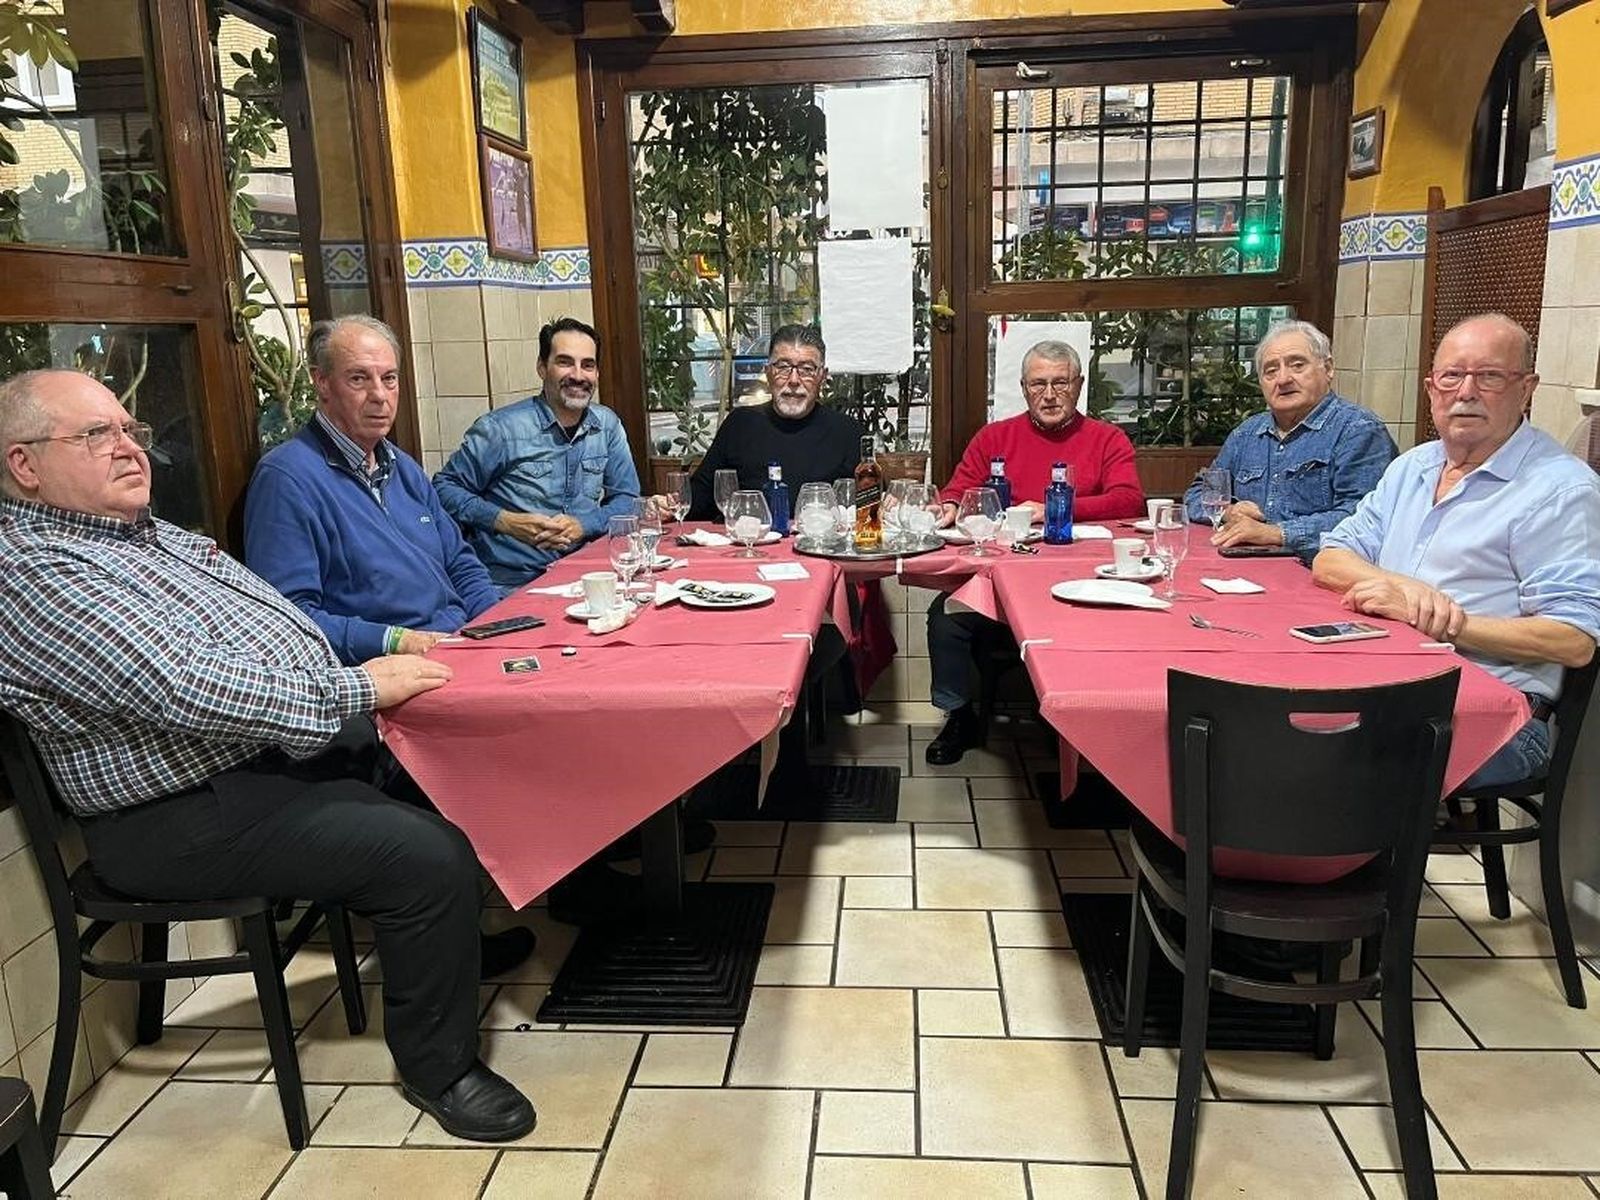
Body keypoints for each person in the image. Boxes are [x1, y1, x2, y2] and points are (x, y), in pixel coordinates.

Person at [0, 369, 537, 1143]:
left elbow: (259, 625)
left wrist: (335, 687)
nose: (128, 449)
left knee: (448, 770)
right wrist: (353, 688)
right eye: (95, 435)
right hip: (173, 819)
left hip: (247, 763)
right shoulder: (35, 573)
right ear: (25, 465)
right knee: (426, 853)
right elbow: (182, 682)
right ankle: (440, 1067)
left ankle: (455, 949)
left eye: (130, 430)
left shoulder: (138, 535)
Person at [1314, 313, 1600, 786]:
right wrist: (1403, 589)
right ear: (1431, 390)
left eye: (1489, 376)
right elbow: (1331, 556)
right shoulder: (1413, 467)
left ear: (1526, 388)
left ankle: (1368, 860)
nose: (1466, 392)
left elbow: (1573, 640)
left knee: (1321, 764)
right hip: (1389, 689)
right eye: (1452, 376)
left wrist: (1449, 621)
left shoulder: (1561, 490)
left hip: (1502, 717)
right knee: (1258, 735)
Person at [925, 340, 1145, 765]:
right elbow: (958, 489)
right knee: (944, 618)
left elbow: (1129, 501)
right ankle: (958, 715)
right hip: (997, 583)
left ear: (1078, 385)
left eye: (1060, 383)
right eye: (1038, 384)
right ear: (1024, 389)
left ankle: (1075, 719)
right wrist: (948, 506)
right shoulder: (995, 436)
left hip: (1079, 585)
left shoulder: (1107, 438)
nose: (1049, 394)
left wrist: (1054, 508)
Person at [244, 316, 501, 665]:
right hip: (389, 671)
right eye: (359, 378)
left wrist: (499, 624)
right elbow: (290, 619)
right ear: (321, 382)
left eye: (389, 378)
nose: (379, 395)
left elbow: (461, 564)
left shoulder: (401, 465)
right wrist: (396, 640)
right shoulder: (285, 478)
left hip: (460, 644)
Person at [435, 317, 640, 588]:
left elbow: (627, 499)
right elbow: (442, 489)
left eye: (588, 365)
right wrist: (506, 522)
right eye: (565, 362)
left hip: (587, 578)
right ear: (542, 367)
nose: (578, 375)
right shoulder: (500, 429)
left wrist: (584, 524)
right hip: (510, 585)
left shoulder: (607, 425)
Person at [1183, 319, 1395, 563]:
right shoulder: (1247, 434)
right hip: (1245, 568)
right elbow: (1198, 494)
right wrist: (1227, 513)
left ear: (1328, 368)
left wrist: (1276, 534)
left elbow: (1363, 518)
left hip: (1319, 573)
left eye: (1297, 365)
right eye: (1271, 371)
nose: (1283, 379)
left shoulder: (1359, 431)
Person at [684, 324, 864, 519]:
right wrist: (668, 505)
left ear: (822, 376)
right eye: (783, 367)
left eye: (806, 369)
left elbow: (874, 505)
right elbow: (699, 499)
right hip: (750, 544)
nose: (794, 380)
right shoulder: (740, 425)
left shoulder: (848, 433)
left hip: (819, 545)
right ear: (768, 372)